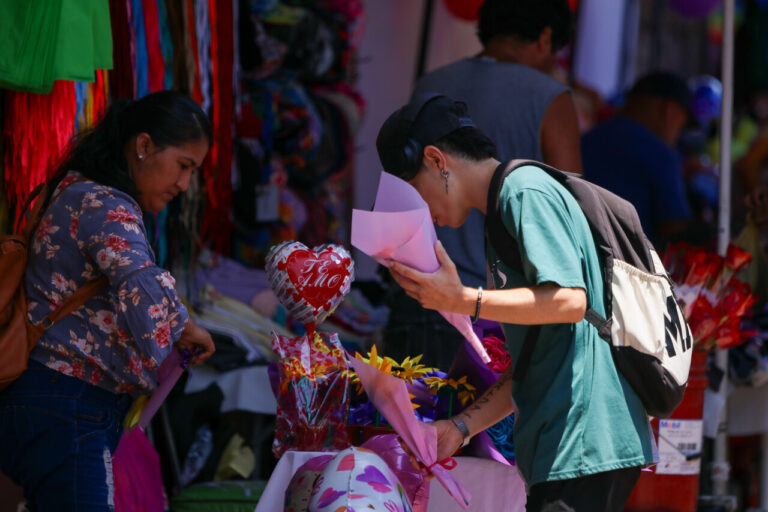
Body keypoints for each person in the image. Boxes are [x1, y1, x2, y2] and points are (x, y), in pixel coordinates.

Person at [376, 94, 654, 512]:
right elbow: (536, 354)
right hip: (567, 445)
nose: (422, 212)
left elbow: (569, 301)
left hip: (583, 440)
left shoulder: (522, 191)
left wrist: (465, 299)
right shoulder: (502, 214)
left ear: (436, 160)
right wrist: (460, 427)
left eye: (414, 190)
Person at [0, 91, 216, 511]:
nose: (184, 185)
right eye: (183, 166)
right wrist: (180, 327)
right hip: (68, 403)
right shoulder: (105, 204)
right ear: (144, 146)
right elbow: (140, 284)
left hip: (49, 400)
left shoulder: (76, 191)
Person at [383, 0, 582, 369]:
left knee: (414, 425)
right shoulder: (549, 97)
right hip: (503, 310)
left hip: (420, 295)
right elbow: (573, 208)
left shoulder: (431, 85)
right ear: (545, 38)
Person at [581, 71, 692, 248]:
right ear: (668, 110)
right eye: (682, 124)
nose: (678, 133)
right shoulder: (661, 154)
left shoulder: (587, 139)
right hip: (625, 268)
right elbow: (676, 232)